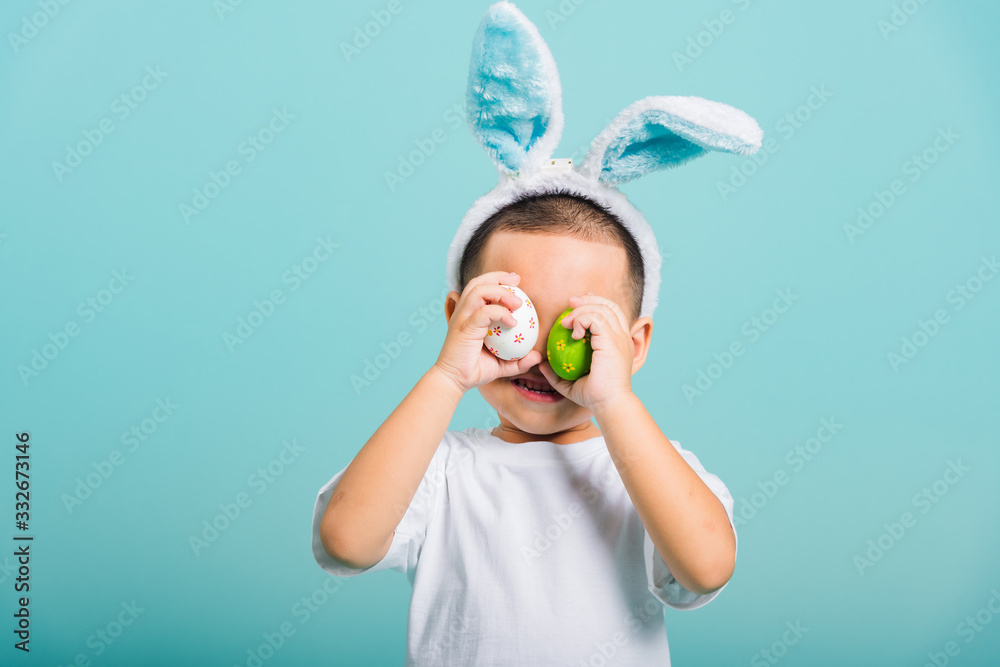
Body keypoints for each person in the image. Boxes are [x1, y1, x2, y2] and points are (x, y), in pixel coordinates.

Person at [311, 2, 763, 664]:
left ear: (633, 346)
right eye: (511, 313)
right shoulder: (440, 470)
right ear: (459, 319)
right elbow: (345, 540)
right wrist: (445, 377)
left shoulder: (643, 469)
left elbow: (705, 566)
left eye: (577, 326)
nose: (544, 355)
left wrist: (615, 403)